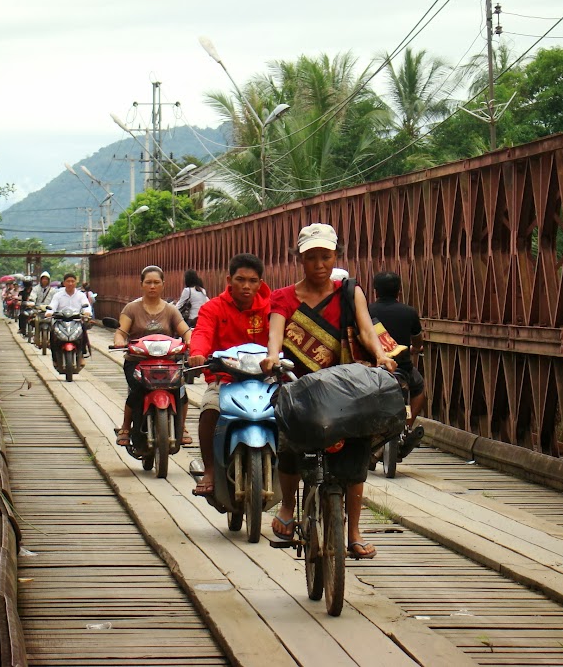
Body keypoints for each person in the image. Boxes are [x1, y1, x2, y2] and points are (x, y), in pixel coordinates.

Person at [261, 223, 396, 560]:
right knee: (291, 446)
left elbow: (366, 330)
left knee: (354, 461)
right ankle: (288, 510)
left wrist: (380, 355)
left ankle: (353, 532)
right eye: (311, 258)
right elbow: (275, 334)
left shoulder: (351, 292)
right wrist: (273, 357)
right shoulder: (283, 297)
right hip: (300, 388)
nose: (319, 264)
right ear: (300, 259)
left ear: (335, 256)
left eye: (326, 256)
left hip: (346, 388)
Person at [187, 254, 271, 496]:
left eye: (253, 281)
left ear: (260, 282)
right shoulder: (212, 307)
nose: (246, 286)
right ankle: (210, 469)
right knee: (209, 410)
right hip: (224, 378)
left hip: (265, 379)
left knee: (288, 414)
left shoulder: (270, 308)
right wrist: (198, 353)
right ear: (229, 280)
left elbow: (283, 333)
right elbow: (202, 332)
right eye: (240, 279)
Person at [113, 266, 192, 446]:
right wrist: (119, 340)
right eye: (148, 282)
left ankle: (183, 425)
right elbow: (121, 331)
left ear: (163, 285)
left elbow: (185, 330)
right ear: (141, 284)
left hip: (167, 362)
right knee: (137, 389)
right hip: (138, 362)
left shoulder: (171, 310)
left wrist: (190, 341)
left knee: (181, 391)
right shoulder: (131, 308)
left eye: (156, 282)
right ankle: (126, 426)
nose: (152, 286)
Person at [369, 271, 427, 422]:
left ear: (375, 291)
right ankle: (408, 422)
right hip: (402, 366)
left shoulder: (367, 311)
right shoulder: (409, 312)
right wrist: (415, 349)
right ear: (399, 291)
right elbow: (417, 340)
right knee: (419, 388)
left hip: (373, 367)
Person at [46, 273, 92, 357]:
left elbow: (86, 306)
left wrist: (87, 312)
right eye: (68, 281)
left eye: (72, 281)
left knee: (83, 330)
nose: (70, 283)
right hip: (60, 321)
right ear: (64, 283)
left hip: (76, 320)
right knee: (52, 334)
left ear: (76, 283)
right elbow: (52, 306)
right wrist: (49, 312)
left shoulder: (81, 295)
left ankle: (83, 353)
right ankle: (55, 357)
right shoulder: (58, 295)